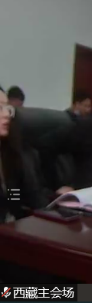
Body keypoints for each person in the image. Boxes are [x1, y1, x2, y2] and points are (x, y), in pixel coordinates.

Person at [0, 87, 47, 222]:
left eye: (7, 108)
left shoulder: (8, 152)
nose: (7, 114)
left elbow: (12, 196)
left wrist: (16, 213)